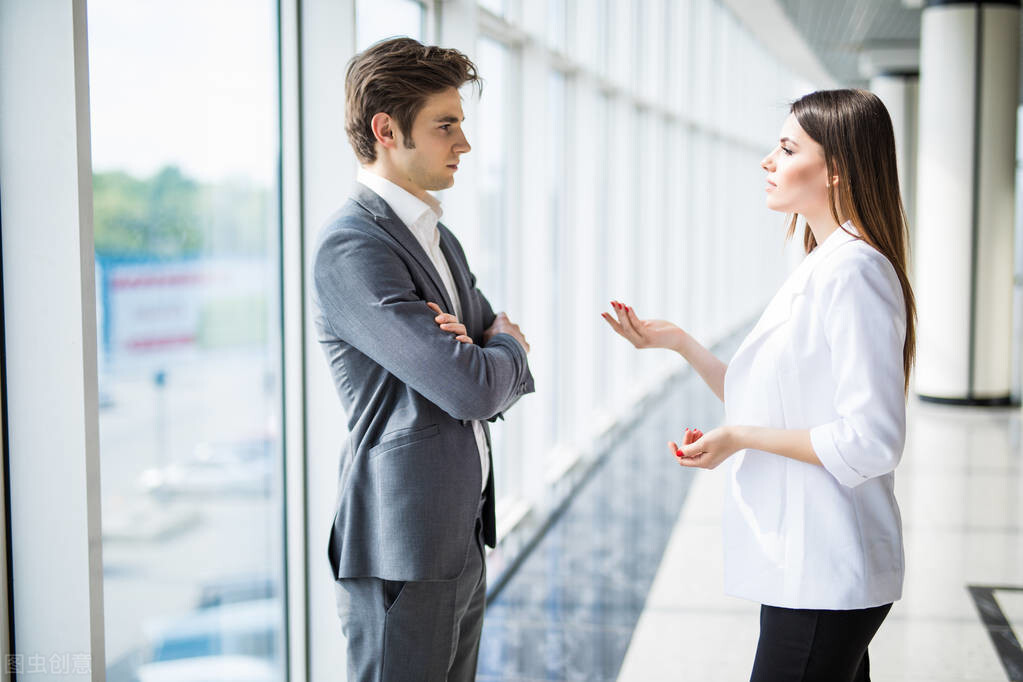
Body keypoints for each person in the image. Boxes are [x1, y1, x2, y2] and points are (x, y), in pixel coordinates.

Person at [602, 89, 916, 682]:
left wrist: (741, 437)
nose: (768, 161)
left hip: (827, 568)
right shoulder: (826, 262)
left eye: (788, 147)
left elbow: (873, 440)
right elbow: (774, 402)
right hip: (816, 569)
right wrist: (680, 343)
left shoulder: (854, 272)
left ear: (838, 169)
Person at [312, 37, 534, 682]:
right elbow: (473, 388)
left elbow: (490, 359)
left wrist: (490, 351)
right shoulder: (353, 246)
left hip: (459, 527)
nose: (463, 143)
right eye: (446, 126)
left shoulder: (439, 237)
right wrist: (501, 350)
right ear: (387, 130)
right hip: (400, 542)